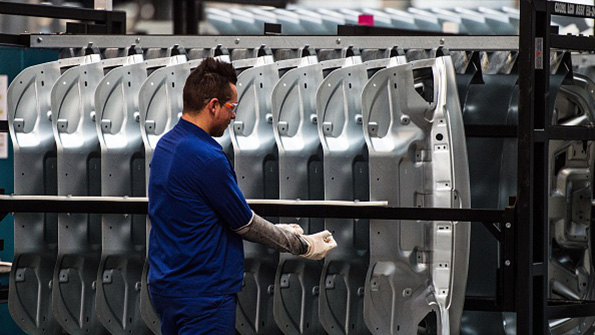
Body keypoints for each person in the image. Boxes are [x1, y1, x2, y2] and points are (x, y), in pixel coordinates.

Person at [147, 57, 337, 335]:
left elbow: (204, 215)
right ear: (213, 105)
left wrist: (276, 229)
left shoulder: (167, 145)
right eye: (231, 107)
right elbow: (244, 224)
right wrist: (301, 245)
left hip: (167, 287)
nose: (234, 116)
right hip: (203, 295)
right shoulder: (206, 157)